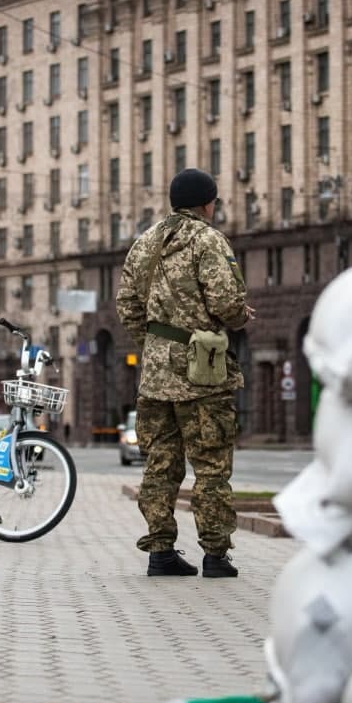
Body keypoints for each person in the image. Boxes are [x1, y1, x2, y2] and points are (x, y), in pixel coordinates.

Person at [116, 168, 254, 578]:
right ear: (208, 203)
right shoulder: (208, 239)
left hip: (155, 373)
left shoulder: (145, 242)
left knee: (160, 464)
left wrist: (157, 342)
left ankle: (160, 552)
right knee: (210, 464)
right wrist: (240, 317)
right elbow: (227, 301)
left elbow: (127, 307)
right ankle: (215, 555)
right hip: (203, 371)